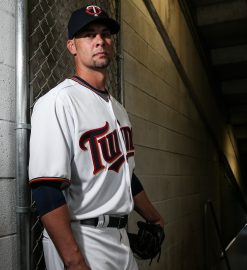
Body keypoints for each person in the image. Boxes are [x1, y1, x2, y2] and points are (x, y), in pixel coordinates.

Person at [29, 4, 164, 270]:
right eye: (89, 34)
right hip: (82, 237)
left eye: (105, 34)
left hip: (120, 238)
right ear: (72, 46)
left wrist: (155, 218)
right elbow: (46, 188)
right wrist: (74, 261)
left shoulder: (119, 110)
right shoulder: (57, 102)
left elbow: (124, 173)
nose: (99, 40)